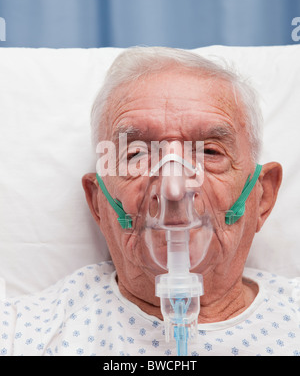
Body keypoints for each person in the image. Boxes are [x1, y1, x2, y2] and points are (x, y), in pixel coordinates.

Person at [0, 47, 299, 357]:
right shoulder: (19, 336)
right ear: (99, 203)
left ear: (262, 197)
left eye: (210, 152)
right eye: (136, 155)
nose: (174, 188)